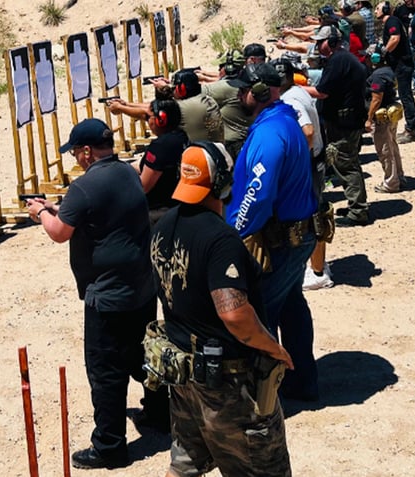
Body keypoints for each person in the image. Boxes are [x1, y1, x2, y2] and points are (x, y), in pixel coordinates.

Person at [25, 118, 168, 470]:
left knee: (106, 372)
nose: (75, 158)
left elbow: (59, 232)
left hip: (108, 294)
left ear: (87, 151)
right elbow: (94, 215)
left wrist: (41, 212)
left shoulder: (84, 186)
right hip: (140, 285)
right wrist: (62, 210)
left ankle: (109, 446)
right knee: (144, 354)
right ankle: (160, 414)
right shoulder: (126, 173)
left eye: (76, 152)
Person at [150, 143, 294, 477]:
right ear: (224, 183)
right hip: (227, 381)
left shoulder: (161, 227)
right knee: (261, 468)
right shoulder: (220, 240)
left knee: (185, 461)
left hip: (183, 371)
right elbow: (234, 314)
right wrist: (275, 349)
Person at [226, 63, 320, 401]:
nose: (239, 94)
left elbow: (258, 193)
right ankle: (301, 379)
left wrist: (235, 232)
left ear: (260, 93)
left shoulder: (269, 132)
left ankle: (266, 393)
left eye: (244, 89)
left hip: (281, 238)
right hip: (294, 234)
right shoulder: (282, 120)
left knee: (260, 313)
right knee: (292, 305)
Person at [272, 53, 334, 291]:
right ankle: (318, 267)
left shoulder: (291, 101)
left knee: (312, 218)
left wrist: (297, 161)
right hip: (315, 162)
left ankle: (318, 273)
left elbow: (307, 132)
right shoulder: (298, 91)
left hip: (308, 165)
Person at [303, 25, 371, 227]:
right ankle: (356, 206)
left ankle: (358, 211)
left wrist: (295, 88)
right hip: (347, 120)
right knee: (348, 162)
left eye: (320, 42)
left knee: (346, 164)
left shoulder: (338, 60)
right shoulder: (342, 58)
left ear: (331, 42)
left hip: (344, 123)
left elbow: (322, 92)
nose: (317, 45)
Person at [107, 68, 223, 144]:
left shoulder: (183, 107)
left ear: (181, 89)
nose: (172, 90)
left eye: (174, 88)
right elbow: (155, 106)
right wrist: (127, 104)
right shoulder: (206, 100)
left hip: (198, 157)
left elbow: (149, 113)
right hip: (215, 152)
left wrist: (121, 108)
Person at [134, 99, 189, 223]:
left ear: (161, 120)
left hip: (158, 211)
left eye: (148, 117)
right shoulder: (181, 136)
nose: (147, 120)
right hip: (176, 202)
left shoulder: (160, 146)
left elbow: (143, 187)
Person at [377, 0, 415, 144]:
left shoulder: (392, 21)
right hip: (400, 65)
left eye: (378, 8)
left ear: (386, 9)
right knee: (404, 95)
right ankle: (411, 128)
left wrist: (384, 51)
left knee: (406, 96)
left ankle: (411, 131)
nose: (376, 10)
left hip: (403, 65)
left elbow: (395, 38)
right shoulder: (391, 21)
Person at [366, 48, 406, 193]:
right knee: (392, 147)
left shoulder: (378, 76)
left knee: (385, 151)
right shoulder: (389, 70)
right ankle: (399, 176)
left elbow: (376, 99)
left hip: (381, 118)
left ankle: (391, 183)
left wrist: (368, 119)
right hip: (391, 115)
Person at [202, 49, 255, 160]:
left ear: (228, 68)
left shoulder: (226, 87)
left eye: (220, 67)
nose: (219, 70)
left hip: (231, 148)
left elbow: (192, 92)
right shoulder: (245, 84)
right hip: (246, 143)